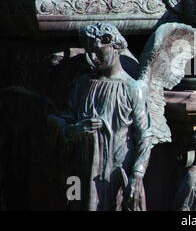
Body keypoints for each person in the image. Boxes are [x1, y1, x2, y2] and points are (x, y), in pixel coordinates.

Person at [47, 22, 152, 211]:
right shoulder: (82, 85)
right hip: (82, 170)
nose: (92, 58)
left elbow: (144, 135)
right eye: (88, 52)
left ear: (112, 45)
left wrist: (137, 174)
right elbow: (63, 119)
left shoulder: (131, 88)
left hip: (115, 172)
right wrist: (73, 129)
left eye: (97, 51)